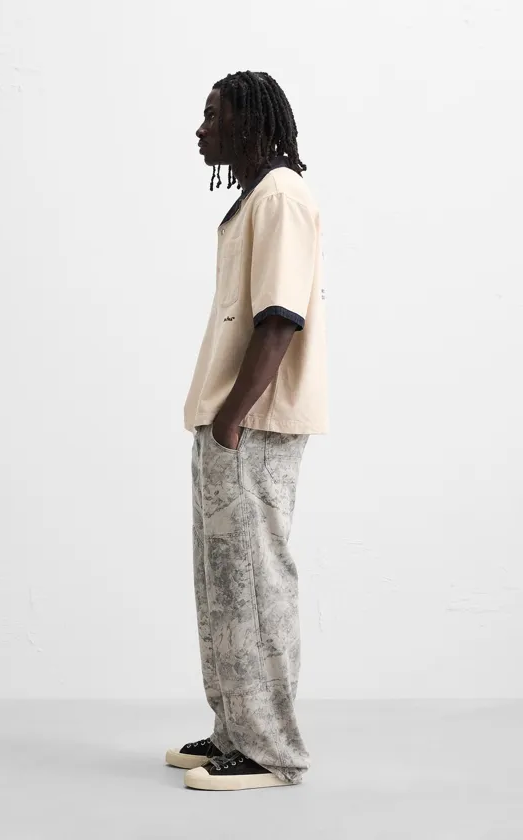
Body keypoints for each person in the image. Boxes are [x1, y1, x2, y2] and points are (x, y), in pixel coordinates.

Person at [165, 70, 328, 791]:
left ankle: (272, 751)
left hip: (252, 424)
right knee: (224, 586)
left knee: (257, 584)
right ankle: (235, 729)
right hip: (226, 422)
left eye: (214, 115)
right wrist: (217, 419)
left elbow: (280, 320)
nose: (202, 129)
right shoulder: (254, 199)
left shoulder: (282, 196)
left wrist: (233, 418)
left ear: (251, 122)